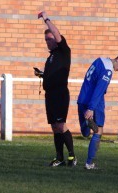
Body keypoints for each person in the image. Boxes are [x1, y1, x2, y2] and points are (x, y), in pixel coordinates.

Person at [34, 11, 76, 167]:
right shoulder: (50, 57)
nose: (48, 42)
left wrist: (46, 19)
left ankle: (72, 156)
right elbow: (53, 74)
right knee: (54, 127)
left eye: (50, 39)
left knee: (61, 125)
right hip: (50, 95)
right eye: (46, 39)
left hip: (60, 94)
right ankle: (59, 157)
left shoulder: (64, 51)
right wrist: (43, 75)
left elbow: (57, 34)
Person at [77, 53, 118, 169]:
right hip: (95, 102)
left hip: (82, 98)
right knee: (98, 131)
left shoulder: (100, 60)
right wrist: (91, 108)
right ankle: (89, 163)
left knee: (85, 133)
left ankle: (86, 124)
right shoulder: (108, 71)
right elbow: (99, 90)